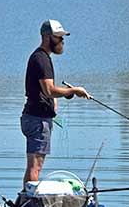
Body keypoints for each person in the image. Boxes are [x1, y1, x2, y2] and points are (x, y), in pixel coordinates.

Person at [20, 19, 92, 190]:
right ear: (47, 37)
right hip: (37, 120)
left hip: (36, 118)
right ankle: (29, 206)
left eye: (62, 37)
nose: (62, 41)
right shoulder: (41, 59)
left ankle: (25, 203)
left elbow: (46, 91)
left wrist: (62, 96)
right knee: (35, 166)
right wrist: (74, 90)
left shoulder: (42, 58)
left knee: (34, 166)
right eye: (58, 37)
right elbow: (49, 90)